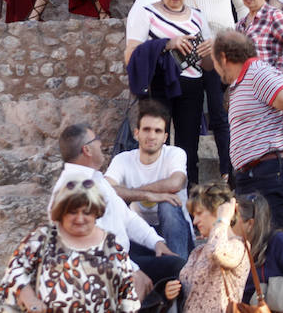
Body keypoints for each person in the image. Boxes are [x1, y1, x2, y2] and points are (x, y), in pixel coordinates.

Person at [51, 123, 184, 296]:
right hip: (97, 272)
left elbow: (127, 217)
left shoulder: (97, 179)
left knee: (177, 264)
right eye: (96, 139)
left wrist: (156, 242)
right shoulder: (72, 188)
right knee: (177, 270)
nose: (100, 143)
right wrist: (133, 270)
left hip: (121, 258)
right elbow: (93, 245)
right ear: (87, 150)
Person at [124, 0, 213, 187]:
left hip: (191, 87)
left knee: (189, 148)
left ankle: (189, 198)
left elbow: (208, 66)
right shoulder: (147, 12)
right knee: (153, 143)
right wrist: (165, 44)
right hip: (158, 86)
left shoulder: (198, 17)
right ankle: (150, 194)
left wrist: (209, 51)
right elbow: (130, 55)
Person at [211, 30, 283, 232]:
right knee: (258, 244)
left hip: (269, 172)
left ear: (223, 58)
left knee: (272, 242)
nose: (215, 70)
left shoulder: (257, 73)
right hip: (255, 175)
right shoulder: (243, 81)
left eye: (214, 62)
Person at [0, 179, 141, 312]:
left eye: (86, 212)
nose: (80, 219)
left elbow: (128, 296)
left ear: (96, 213)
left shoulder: (113, 248)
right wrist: (31, 301)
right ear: (61, 212)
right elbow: (14, 272)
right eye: (73, 212)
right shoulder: (42, 238)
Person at [181, 0, 246, 176]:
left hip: (227, 48)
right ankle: (192, 176)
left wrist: (241, 41)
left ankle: (229, 171)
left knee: (220, 112)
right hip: (196, 50)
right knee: (196, 115)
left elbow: (241, 7)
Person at [105, 100, 193, 258]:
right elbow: (105, 190)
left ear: (165, 137)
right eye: (146, 129)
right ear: (136, 133)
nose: (152, 136)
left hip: (175, 233)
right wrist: (147, 195)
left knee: (167, 205)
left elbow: (175, 183)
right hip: (140, 235)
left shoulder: (175, 153)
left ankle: (178, 269)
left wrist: (133, 193)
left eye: (157, 131)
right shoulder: (122, 159)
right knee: (114, 207)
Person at [162, 182, 250, 312]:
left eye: (199, 213)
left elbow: (217, 251)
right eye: (193, 215)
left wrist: (223, 220)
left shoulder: (238, 246)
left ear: (218, 210)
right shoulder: (197, 251)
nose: (195, 221)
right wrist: (171, 292)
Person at [234, 193, 283, 313]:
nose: (228, 226)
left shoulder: (280, 241)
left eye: (233, 222)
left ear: (250, 224)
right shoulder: (236, 248)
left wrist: (261, 297)